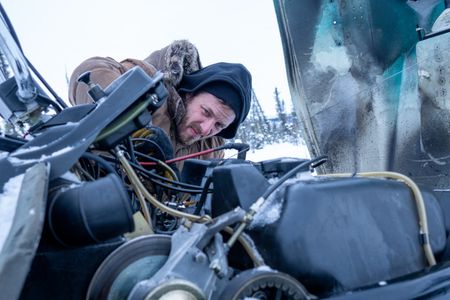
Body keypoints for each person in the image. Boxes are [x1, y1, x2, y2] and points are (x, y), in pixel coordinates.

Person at [68, 40, 252, 170]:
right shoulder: (151, 89)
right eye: (206, 112)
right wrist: (128, 121)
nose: (206, 129)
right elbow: (91, 71)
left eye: (219, 125)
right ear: (189, 94)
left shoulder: (211, 149)